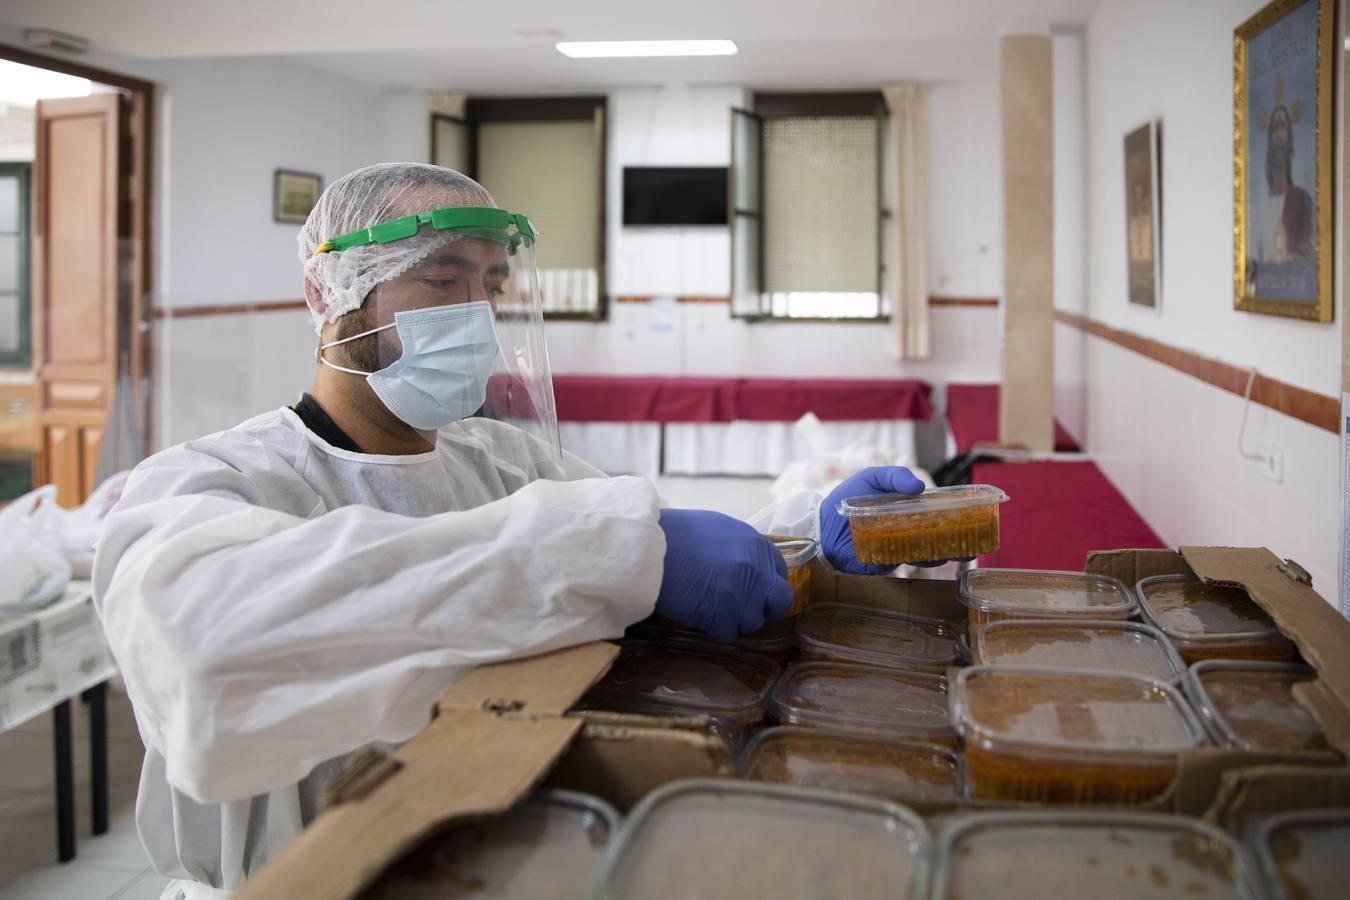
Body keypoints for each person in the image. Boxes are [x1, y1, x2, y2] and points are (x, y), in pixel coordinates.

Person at [92, 163, 927, 899]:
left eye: (489, 287)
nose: (475, 316)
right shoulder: (215, 480)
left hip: (493, 858)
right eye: (440, 280)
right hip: (294, 881)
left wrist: (809, 527)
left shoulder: (496, 459)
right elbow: (208, 646)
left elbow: (650, 543)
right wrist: (614, 549)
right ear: (327, 293)